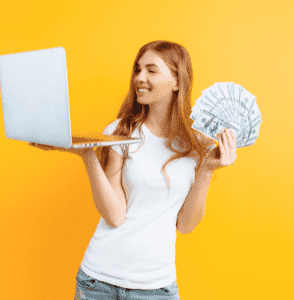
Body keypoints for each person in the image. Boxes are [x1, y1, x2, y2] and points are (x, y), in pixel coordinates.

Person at [29, 40, 237, 300]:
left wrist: (206, 171)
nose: (140, 77)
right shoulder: (120, 132)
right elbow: (115, 216)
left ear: (177, 81)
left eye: (151, 70)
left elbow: (185, 225)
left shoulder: (198, 145)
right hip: (98, 282)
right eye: (138, 69)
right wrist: (87, 156)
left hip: (156, 288)